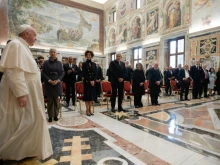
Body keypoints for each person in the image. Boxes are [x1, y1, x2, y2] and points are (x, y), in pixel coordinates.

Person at [0, 24, 53, 161]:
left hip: (30, 93)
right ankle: (12, 151)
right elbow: (13, 72)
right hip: (21, 94)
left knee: (30, 120)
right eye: (34, 35)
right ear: (26, 34)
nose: (36, 38)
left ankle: (26, 150)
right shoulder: (16, 45)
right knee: (21, 121)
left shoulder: (24, 47)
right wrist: (21, 93)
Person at [42, 48, 65, 122]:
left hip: (57, 84)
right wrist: (49, 80)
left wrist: (58, 80)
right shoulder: (46, 63)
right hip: (49, 84)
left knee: (56, 100)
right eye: (51, 52)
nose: (52, 53)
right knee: (50, 101)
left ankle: (56, 115)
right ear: (49, 53)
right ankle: (50, 116)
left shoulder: (59, 63)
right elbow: (43, 73)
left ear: (56, 53)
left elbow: (62, 73)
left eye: (54, 52)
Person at [82, 50, 97, 116]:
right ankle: (87, 110)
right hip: (87, 82)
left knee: (91, 97)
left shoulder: (94, 64)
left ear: (91, 56)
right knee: (87, 97)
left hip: (93, 83)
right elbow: (84, 74)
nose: (89, 56)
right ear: (86, 56)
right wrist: (90, 81)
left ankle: (90, 110)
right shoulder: (84, 64)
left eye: (90, 55)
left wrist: (93, 80)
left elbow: (95, 73)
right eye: (87, 55)